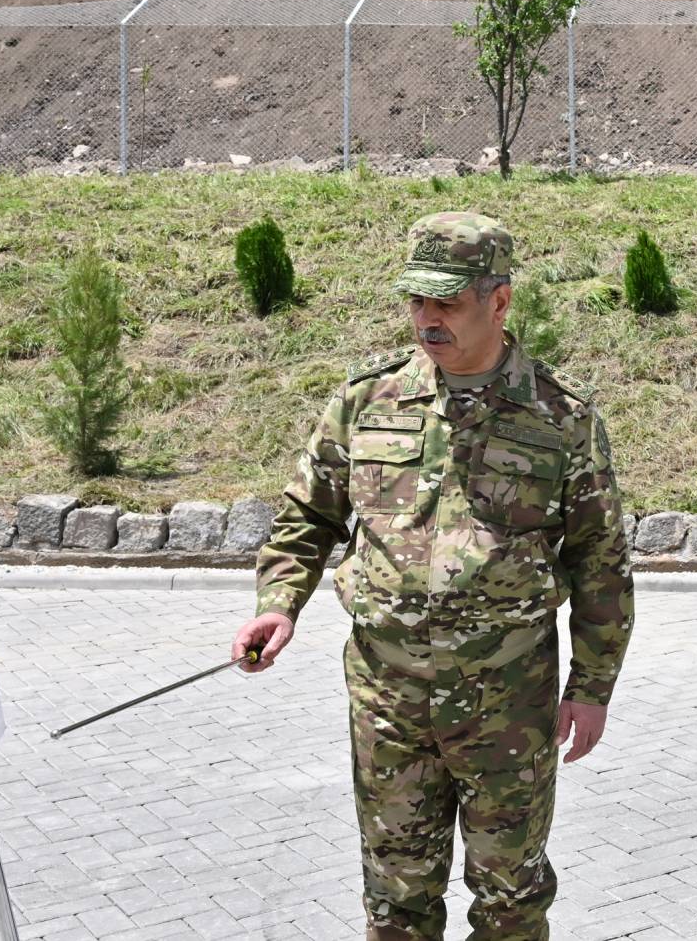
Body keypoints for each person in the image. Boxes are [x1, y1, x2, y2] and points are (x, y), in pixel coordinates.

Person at [231, 211, 633, 941]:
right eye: (416, 300)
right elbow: (307, 516)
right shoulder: (366, 401)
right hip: (388, 701)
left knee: (511, 903)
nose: (426, 319)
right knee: (395, 901)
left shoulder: (559, 416)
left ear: (499, 301)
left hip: (507, 704)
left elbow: (599, 559)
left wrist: (591, 687)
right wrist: (280, 602)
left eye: (445, 301)